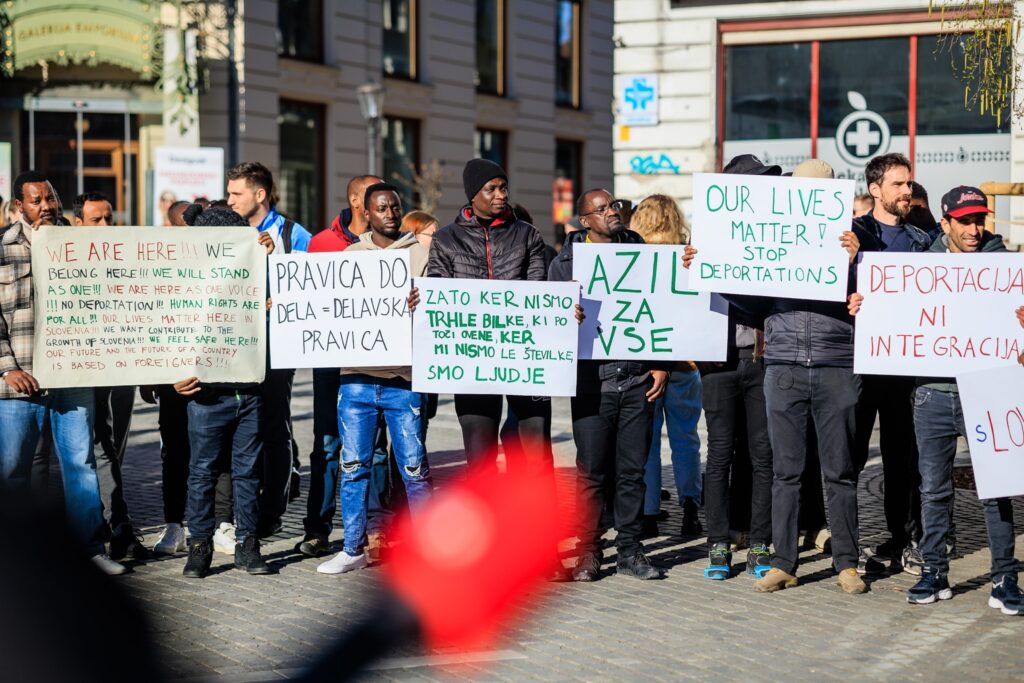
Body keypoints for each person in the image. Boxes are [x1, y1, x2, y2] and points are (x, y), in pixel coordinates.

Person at [684, 157, 869, 594]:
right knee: (786, 471)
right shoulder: (777, 234)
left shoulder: (856, 242)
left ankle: (847, 563)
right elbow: (752, 304)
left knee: (840, 471)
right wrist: (709, 269)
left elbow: (876, 297)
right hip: (783, 364)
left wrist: (856, 266)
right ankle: (784, 562)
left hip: (836, 363)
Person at [851, 185, 1021, 614]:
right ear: (945, 223)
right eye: (964, 222)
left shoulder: (1002, 265)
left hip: (988, 391)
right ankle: (934, 571)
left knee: (996, 491)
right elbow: (889, 308)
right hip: (932, 394)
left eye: (979, 220)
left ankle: (1004, 578)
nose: (974, 229)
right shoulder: (921, 263)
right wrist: (863, 306)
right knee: (932, 490)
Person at [408, 158, 569, 580]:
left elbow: (538, 291)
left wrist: (560, 309)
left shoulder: (527, 235)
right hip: (472, 364)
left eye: (503, 187)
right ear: (473, 195)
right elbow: (439, 291)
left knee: (536, 458)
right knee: (479, 461)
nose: (501, 195)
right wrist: (423, 301)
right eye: (491, 189)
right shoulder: (446, 240)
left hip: (526, 361)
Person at [0, 171, 125, 576]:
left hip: (73, 378)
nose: (46, 206)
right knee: (12, 471)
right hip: (20, 382)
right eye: (36, 200)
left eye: (50, 198)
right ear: (19, 205)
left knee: (81, 467)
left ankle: (91, 550)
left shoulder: (82, 245)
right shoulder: (2, 247)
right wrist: (7, 370)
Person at [548, 188, 667, 581]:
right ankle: (589, 551)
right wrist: (566, 317)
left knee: (632, 472)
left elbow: (663, 306)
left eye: (614, 205)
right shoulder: (565, 263)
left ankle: (631, 550)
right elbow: (549, 323)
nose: (612, 212)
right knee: (591, 474)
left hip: (637, 379)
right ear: (585, 221)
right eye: (601, 209)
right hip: (592, 383)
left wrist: (662, 363)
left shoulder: (641, 252)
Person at [317, 183, 434, 574]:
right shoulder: (350, 258)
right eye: (382, 208)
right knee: (353, 468)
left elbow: (440, 311)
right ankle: (353, 549)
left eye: (395, 207)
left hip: (404, 381)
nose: (390, 214)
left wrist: (424, 302)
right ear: (366, 213)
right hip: (356, 381)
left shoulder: (421, 255)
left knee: (414, 470)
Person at [175, 204, 276, 579]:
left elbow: (286, 301)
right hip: (206, 395)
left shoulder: (257, 267)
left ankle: (248, 546)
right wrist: (173, 376)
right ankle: (199, 547)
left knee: (248, 473)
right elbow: (165, 330)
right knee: (202, 473)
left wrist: (269, 261)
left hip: (249, 392)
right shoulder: (185, 279)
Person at [299, 174, 396, 560]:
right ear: (358, 202)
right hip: (329, 361)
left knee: (375, 447)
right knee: (326, 444)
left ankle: (376, 528)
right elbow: (304, 297)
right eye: (375, 197)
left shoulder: (392, 244)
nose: (385, 206)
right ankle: (318, 529)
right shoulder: (322, 243)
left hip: (374, 362)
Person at [689, 156, 776, 580]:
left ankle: (760, 542)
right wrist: (686, 269)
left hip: (760, 359)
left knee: (763, 455)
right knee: (720, 454)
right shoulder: (704, 236)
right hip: (718, 364)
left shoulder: (773, 234)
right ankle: (718, 543)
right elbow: (683, 298)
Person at [851, 154, 931, 577]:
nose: (907, 191)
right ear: (875, 189)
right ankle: (847, 544)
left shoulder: (922, 240)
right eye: (898, 184)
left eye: (909, 184)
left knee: (903, 461)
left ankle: (904, 540)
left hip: (905, 369)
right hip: (860, 367)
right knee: (849, 458)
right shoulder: (854, 235)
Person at [226, 161, 311, 539]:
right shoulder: (225, 231)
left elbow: (313, 287)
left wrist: (278, 283)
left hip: (277, 347)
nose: (230, 200)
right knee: (239, 427)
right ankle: (235, 510)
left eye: (236, 193)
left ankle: (272, 510)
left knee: (275, 426)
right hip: (234, 346)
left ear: (259, 194)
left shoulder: (295, 235)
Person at [70, 191, 147, 561]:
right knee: (88, 450)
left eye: (108, 219)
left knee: (109, 448)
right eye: (96, 220)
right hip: (72, 371)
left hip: (116, 369)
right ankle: (109, 527)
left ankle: (117, 526)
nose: (104, 225)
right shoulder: (59, 258)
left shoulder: (125, 255)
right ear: (77, 224)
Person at [629, 194, 704, 538]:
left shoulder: (633, 259)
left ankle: (647, 512)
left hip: (646, 360)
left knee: (646, 440)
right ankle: (691, 507)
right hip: (685, 360)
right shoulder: (690, 256)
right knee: (686, 438)